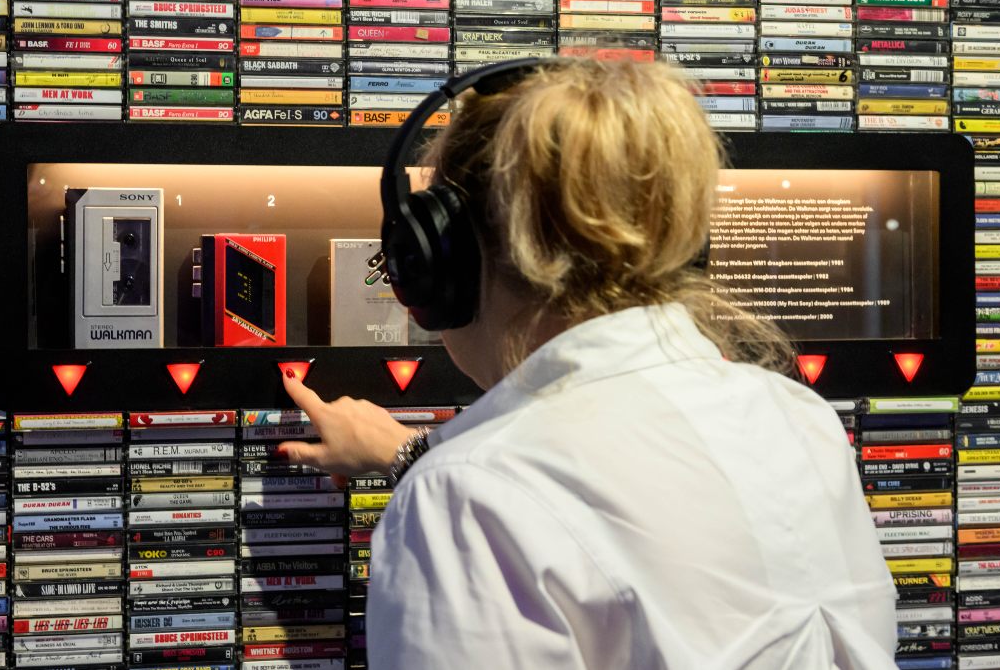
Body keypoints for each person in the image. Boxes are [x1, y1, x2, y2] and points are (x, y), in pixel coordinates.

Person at [279, 58, 898, 669]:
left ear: (438, 261)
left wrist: (442, 474)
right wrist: (416, 455)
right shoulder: (800, 419)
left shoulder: (462, 502)